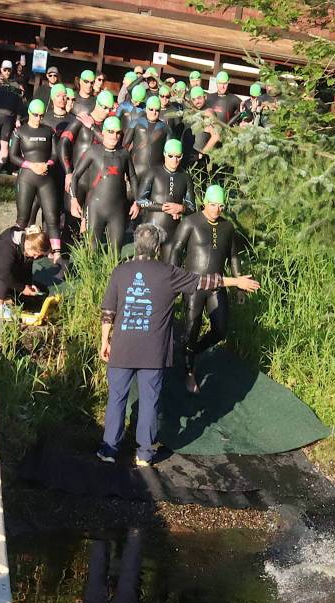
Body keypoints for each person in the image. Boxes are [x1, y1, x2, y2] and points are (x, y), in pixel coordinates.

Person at [98, 224, 260, 465]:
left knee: (117, 399)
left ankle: (109, 450)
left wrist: (105, 341)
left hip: (122, 348)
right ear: (157, 247)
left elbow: (108, 311)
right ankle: (144, 453)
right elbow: (204, 281)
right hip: (152, 352)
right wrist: (235, 281)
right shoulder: (168, 273)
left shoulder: (120, 272)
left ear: (136, 245)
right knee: (150, 400)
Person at [168, 185, 244, 393]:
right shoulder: (190, 222)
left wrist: (239, 287)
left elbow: (234, 257)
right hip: (193, 284)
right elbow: (175, 249)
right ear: (204, 203)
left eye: (220, 206)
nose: (216, 209)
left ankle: (191, 352)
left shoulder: (228, 227)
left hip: (216, 286)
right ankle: (189, 372)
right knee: (192, 326)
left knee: (220, 330)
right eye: (212, 205)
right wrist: (174, 280)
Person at [70, 115, 138, 251]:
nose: (115, 136)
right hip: (95, 207)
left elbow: (132, 177)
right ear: (104, 132)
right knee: (92, 249)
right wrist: (74, 200)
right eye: (111, 132)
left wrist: (137, 201)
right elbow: (75, 176)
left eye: (118, 133)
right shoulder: (93, 151)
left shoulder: (124, 153)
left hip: (117, 210)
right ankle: (90, 273)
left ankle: (112, 273)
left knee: (115, 252)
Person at [28, 84, 75, 253]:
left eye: (65, 96)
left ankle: (60, 248)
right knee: (43, 206)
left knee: (62, 209)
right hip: (45, 169)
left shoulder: (72, 120)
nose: (62, 99)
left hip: (65, 169)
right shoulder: (45, 118)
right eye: (59, 95)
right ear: (53, 98)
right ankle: (42, 245)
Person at [10, 100, 61, 249]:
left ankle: (56, 252)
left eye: (41, 115)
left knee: (52, 218)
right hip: (27, 177)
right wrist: (32, 165)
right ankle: (15, 248)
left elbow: (55, 155)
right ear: (29, 113)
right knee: (23, 218)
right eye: (35, 115)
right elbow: (13, 156)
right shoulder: (19, 131)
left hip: (45, 178)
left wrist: (46, 164)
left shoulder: (49, 131)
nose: (38, 118)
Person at [0, 227, 50, 318]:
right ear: (29, 243)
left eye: (38, 256)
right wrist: (22, 288)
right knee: (6, 271)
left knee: (41, 290)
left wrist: (29, 285)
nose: (35, 257)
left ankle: (2, 300)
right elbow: (5, 274)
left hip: (1, 280)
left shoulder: (27, 250)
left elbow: (26, 272)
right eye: (35, 254)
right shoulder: (7, 246)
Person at [61, 89, 112, 232]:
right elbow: (63, 143)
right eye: (104, 107)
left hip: (96, 184)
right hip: (78, 179)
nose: (107, 111)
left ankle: (86, 254)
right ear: (97, 104)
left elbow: (110, 144)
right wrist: (68, 172)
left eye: (110, 108)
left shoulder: (108, 127)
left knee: (89, 228)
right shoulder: (81, 120)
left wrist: (93, 126)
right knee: (70, 225)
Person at [136, 139, 194, 260]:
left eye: (178, 156)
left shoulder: (185, 177)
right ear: (164, 154)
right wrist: (162, 207)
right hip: (151, 229)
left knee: (169, 270)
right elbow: (140, 200)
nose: (175, 160)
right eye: (171, 156)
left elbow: (192, 208)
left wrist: (181, 208)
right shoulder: (153, 172)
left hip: (172, 231)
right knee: (145, 268)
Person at [0, 60, 25, 173]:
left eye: (9, 70)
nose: (7, 72)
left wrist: (18, 119)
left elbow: (20, 103)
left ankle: (2, 167)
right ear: (1, 69)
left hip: (9, 117)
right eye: (5, 69)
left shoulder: (15, 85)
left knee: (4, 143)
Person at [123, 95, 167, 180]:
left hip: (155, 174)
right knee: (132, 193)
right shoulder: (135, 123)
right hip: (135, 170)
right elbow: (125, 146)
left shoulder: (165, 128)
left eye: (157, 110)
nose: (154, 112)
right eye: (151, 109)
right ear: (146, 109)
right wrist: (124, 167)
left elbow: (169, 153)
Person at [186, 86, 219, 171]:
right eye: (194, 99)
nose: (197, 102)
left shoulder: (208, 113)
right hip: (188, 159)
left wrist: (202, 153)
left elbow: (216, 136)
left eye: (199, 98)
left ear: (205, 97)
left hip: (200, 162)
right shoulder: (193, 111)